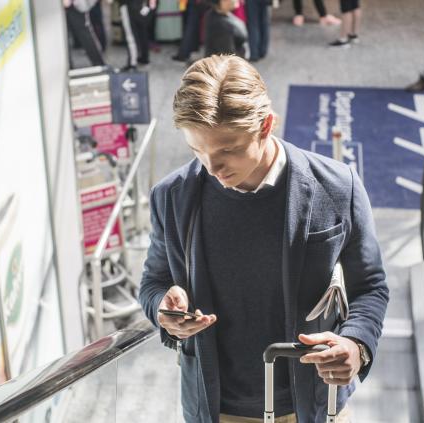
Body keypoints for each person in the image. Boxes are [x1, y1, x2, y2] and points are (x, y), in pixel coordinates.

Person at [139, 55, 388, 423]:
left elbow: (370, 286)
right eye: (198, 151)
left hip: (315, 406)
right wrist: (165, 310)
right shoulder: (171, 196)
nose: (212, 167)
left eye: (228, 150)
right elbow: (152, 283)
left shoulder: (337, 187)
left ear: (267, 125)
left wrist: (356, 344)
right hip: (217, 410)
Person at [64, 0, 106, 67]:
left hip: (74, 5)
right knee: (82, 33)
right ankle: (99, 63)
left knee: (84, 33)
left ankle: (99, 63)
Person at [119, 0, 157, 69]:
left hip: (129, 5)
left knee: (130, 34)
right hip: (140, 5)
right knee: (141, 31)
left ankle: (132, 63)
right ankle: (144, 58)